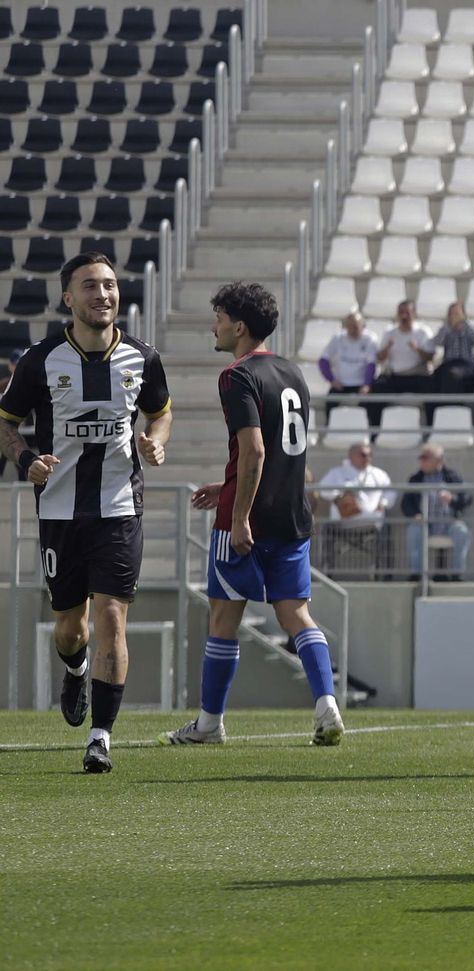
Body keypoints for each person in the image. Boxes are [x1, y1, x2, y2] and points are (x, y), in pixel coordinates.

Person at [0, 252, 172, 773]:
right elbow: (5, 422)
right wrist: (26, 457)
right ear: (68, 298)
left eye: (111, 285)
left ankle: (100, 738)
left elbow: (161, 413)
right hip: (59, 511)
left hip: (120, 508)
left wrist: (155, 444)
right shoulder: (40, 359)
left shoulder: (143, 358)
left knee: (112, 618)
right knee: (71, 627)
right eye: (91, 286)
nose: (104, 294)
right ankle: (75, 668)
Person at [163, 282, 344, 748]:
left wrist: (238, 512)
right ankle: (327, 706)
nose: (214, 326)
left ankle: (208, 725)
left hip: (246, 520)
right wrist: (226, 485)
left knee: (224, 617)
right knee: (298, 615)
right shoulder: (293, 373)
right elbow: (288, 456)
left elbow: (256, 451)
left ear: (238, 326)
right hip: (291, 516)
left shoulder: (235, 375)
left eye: (219, 318)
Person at [316, 443, 391, 574]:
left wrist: (383, 503)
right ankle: (329, 572)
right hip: (343, 523)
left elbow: (390, 492)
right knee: (327, 529)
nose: (367, 458)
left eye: (369, 455)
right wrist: (338, 496)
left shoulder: (379, 474)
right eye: (363, 455)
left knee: (387, 528)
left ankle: (384, 573)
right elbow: (322, 489)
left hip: (372, 523)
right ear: (351, 456)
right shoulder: (337, 473)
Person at [401, 443, 472, 581]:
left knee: (462, 532)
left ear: (439, 460)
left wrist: (452, 499)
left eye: (425, 458)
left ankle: (457, 574)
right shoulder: (415, 479)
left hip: (449, 522)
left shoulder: (452, 476)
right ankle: (417, 574)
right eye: (420, 457)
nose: (421, 461)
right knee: (413, 531)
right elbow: (406, 503)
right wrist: (415, 514)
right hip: (425, 523)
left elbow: (467, 498)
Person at [374, 300, 434, 409]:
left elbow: (430, 358)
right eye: (401, 312)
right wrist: (388, 347)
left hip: (418, 376)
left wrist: (417, 349)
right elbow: (380, 358)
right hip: (396, 376)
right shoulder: (390, 332)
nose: (404, 315)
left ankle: (431, 425)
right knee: (377, 388)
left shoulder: (423, 332)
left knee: (433, 391)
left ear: (414, 314)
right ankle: (375, 425)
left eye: (407, 312)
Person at [318, 311, 377, 418]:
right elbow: (323, 360)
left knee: (371, 405)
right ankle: (328, 430)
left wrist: (367, 384)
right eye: (350, 326)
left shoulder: (370, 339)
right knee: (330, 403)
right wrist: (331, 380)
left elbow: (371, 364)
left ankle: (370, 433)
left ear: (363, 326)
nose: (353, 330)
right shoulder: (338, 338)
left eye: (356, 326)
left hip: (361, 384)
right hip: (341, 385)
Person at [430, 302, 474, 397]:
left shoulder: (471, 327)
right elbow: (438, 342)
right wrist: (449, 327)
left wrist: (463, 324)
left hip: (467, 363)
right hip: (449, 363)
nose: (454, 316)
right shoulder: (445, 328)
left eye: (457, 313)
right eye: (451, 313)